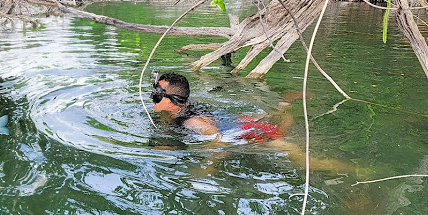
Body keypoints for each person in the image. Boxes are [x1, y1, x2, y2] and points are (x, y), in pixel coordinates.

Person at [150, 71, 355, 173]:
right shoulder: (181, 111)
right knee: (276, 125)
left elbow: (219, 142)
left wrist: (206, 169)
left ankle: (356, 171)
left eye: (157, 95)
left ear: (172, 102)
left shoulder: (193, 122)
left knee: (300, 158)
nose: (152, 97)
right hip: (238, 121)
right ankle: (284, 105)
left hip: (249, 132)